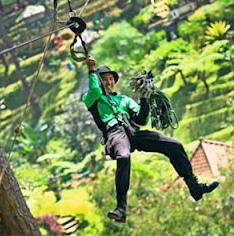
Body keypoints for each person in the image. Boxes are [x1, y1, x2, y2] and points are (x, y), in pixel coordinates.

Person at [82, 55, 219, 223]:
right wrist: (91, 69)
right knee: (123, 157)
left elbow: (141, 119)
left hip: (133, 132)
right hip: (115, 134)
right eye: (104, 80)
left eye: (111, 79)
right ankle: (121, 207)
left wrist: (144, 98)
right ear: (98, 81)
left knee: (175, 145)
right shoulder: (92, 99)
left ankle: (194, 186)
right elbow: (95, 90)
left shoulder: (124, 99)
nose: (109, 82)